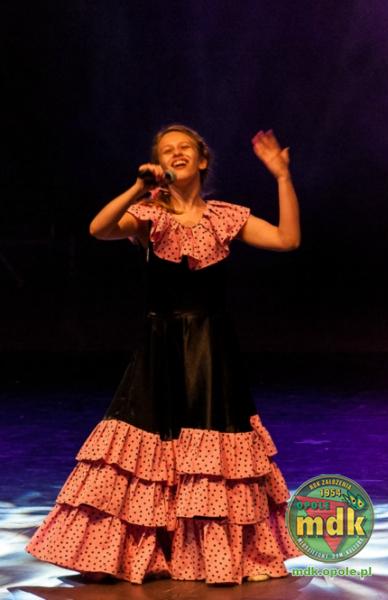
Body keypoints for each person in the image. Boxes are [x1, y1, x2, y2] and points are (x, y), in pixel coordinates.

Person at [26, 124, 302, 585]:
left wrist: (281, 177)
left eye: (184, 147)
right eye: (167, 149)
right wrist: (139, 188)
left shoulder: (224, 217)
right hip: (160, 349)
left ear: (202, 160)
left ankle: (214, 554)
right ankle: (140, 552)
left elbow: (287, 240)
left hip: (211, 353)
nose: (176, 153)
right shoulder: (150, 215)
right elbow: (99, 229)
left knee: (211, 451)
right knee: (148, 446)